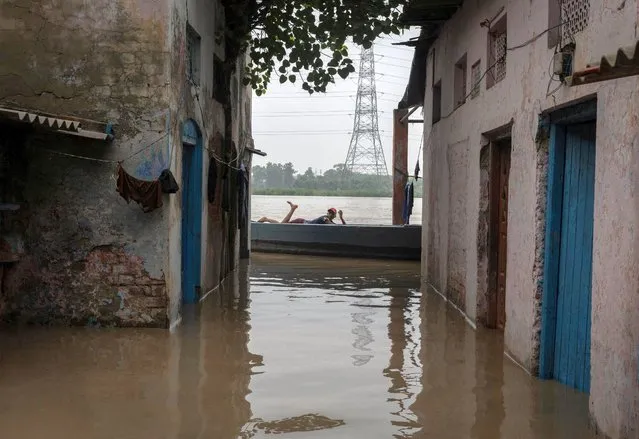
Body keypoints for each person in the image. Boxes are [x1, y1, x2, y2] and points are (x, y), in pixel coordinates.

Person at [257, 201, 347, 225]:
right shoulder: (325, 219)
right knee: (282, 225)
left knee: (283, 224)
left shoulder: (330, 221)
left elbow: (342, 227)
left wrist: (342, 218)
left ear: (334, 215)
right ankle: (266, 219)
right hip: (301, 222)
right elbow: (333, 226)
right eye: (329, 212)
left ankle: (292, 209)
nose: (330, 214)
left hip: (303, 222)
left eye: (332, 213)